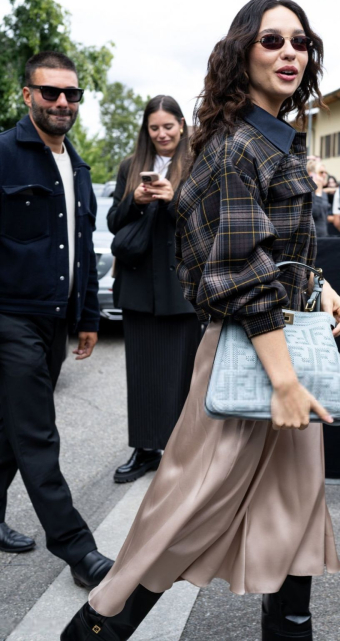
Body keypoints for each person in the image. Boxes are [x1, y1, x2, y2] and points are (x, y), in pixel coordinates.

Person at [62, 0, 340, 641]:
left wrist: (319, 285)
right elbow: (239, 272)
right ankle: (91, 630)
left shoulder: (272, 140)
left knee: (294, 519)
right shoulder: (234, 146)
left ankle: (290, 625)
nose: (289, 53)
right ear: (242, 51)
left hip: (282, 358)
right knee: (182, 516)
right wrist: (282, 382)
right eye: (272, 40)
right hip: (254, 360)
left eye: (300, 43)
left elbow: (276, 248)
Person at [0, 51, 113, 589]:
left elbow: (83, 253)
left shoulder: (79, 167)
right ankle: (78, 549)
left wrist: (86, 315)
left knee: (8, 434)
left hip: (53, 323)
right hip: (9, 320)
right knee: (38, 434)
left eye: (72, 94)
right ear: (28, 95)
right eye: (51, 93)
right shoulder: (3, 154)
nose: (63, 102)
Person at [109, 96, 201, 483]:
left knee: (180, 374)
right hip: (139, 285)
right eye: (154, 128)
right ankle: (145, 448)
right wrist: (136, 198)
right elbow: (114, 221)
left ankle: (178, 453)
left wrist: (173, 197)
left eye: (168, 126)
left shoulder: (197, 162)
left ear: (181, 125)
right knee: (142, 373)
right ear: (146, 131)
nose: (161, 134)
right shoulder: (132, 167)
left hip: (180, 286)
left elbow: (208, 220)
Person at [307, 159, 330, 236]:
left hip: (323, 235)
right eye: (321, 172)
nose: (324, 175)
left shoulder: (323, 193)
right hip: (312, 236)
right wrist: (318, 192)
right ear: (311, 174)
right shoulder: (308, 192)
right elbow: (315, 213)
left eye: (325, 172)